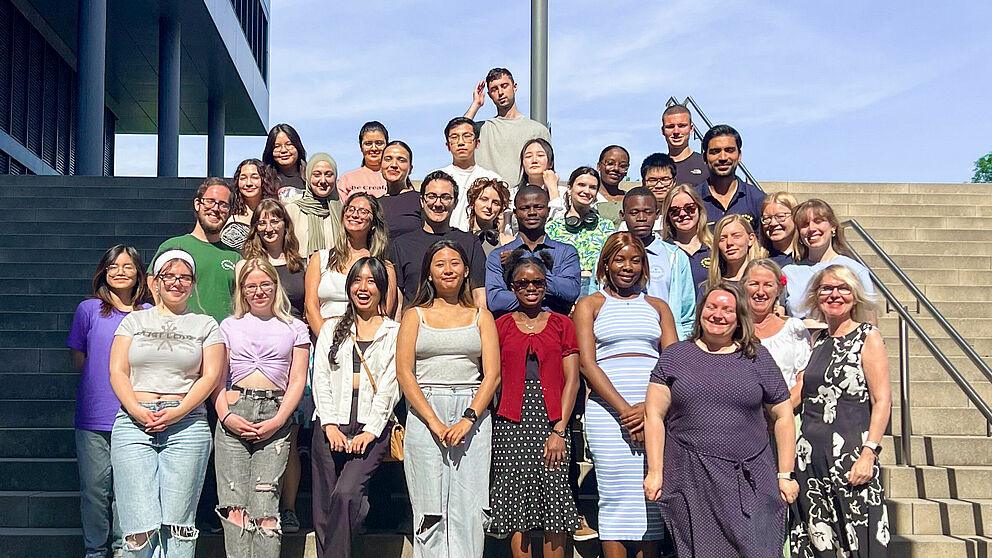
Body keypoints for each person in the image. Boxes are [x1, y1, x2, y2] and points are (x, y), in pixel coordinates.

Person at [643, 281, 799, 557]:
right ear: (701, 311)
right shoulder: (676, 355)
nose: (718, 315)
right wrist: (655, 472)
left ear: (739, 318)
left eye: (727, 310)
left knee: (758, 549)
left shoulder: (757, 357)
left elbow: (784, 414)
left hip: (750, 476)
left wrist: (785, 474)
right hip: (691, 476)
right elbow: (653, 415)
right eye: (711, 307)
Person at [108, 250, 225, 557]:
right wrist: (136, 409)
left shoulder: (206, 324)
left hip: (187, 424)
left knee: (178, 525)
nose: (176, 282)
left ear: (193, 284)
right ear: (155, 282)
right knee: (138, 527)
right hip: (134, 423)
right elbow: (118, 371)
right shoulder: (134, 320)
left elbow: (210, 375)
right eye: (169, 276)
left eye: (184, 277)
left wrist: (178, 412)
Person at [572, 232, 678, 556]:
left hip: (654, 411)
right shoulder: (590, 305)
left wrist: (648, 410)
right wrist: (625, 411)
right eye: (619, 260)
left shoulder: (658, 306)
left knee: (651, 494)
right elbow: (587, 364)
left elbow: (674, 363)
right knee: (614, 495)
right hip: (607, 412)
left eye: (635, 260)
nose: (627, 267)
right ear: (606, 264)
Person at [395, 240, 500, 558]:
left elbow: (492, 375)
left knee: (470, 505)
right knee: (430, 508)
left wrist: (468, 419)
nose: (448, 269)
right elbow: (405, 373)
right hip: (426, 409)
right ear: (429, 273)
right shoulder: (414, 315)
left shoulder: (481, 316)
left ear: (466, 270)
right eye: (440, 264)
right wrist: (434, 422)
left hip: (472, 409)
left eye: (455, 263)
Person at [789, 266, 890, 557]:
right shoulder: (818, 341)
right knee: (819, 544)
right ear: (816, 296)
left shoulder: (867, 337)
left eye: (843, 288)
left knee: (856, 543)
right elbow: (799, 393)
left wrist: (869, 453)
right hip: (811, 461)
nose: (835, 295)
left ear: (855, 295)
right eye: (827, 289)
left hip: (851, 458)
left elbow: (882, 400)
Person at [212, 258, 309, 557]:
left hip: (275, 413)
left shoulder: (295, 327)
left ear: (275, 286)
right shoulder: (229, 325)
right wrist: (225, 415)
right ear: (242, 290)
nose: (258, 291)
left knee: (265, 508)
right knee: (234, 507)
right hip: (236, 411)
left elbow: (297, 379)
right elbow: (217, 378)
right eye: (250, 286)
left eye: (265, 284)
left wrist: (279, 420)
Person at [490, 250, 581, 557]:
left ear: (546, 285)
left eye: (538, 282)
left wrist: (559, 430)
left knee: (554, 495)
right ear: (512, 287)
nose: (531, 288)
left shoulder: (562, 324)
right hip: (511, 423)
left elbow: (572, 380)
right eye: (522, 283)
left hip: (551, 418)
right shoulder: (500, 325)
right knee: (517, 505)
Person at [311, 257, 400, 558]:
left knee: (348, 495)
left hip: (370, 427)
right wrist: (329, 424)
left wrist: (371, 431)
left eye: (371, 281)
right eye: (357, 281)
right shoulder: (331, 328)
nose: (363, 288)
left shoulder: (394, 332)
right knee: (324, 508)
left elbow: (391, 386)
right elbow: (321, 377)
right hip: (330, 424)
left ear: (382, 288)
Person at [67, 245, 153, 558]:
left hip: (136, 414)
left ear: (139, 273)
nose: (120, 272)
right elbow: (80, 359)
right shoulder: (88, 310)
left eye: (128, 266)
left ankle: (122, 549)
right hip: (94, 415)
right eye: (113, 266)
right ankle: (95, 550)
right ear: (103, 272)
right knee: (95, 490)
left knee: (128, 490)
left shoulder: (149, 313)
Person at [388, 170, 488, 308]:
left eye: (445, 197)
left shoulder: (470, 243)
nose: (438, 203)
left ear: (455, 202)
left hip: (460, 319)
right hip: (415, 319)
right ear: (422, 201)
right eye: (432, 196)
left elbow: (479, 294)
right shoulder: (401, 245)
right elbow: (397, 300)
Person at [306, 192, 397, 335]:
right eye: (351, 209)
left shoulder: (385, 268)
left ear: (373, 223)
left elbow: (384, 313)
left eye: (363, 211)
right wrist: (328, 341)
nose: (355, 215)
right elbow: (311, 308)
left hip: (365, 339)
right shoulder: (320, 259)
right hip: (324, 337)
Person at [152, 177, 241, 324]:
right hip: (180, 332)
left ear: (230, 211)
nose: (216, 208)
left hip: (223, 334)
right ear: (197, 204)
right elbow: (152, 281)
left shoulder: (235, 257)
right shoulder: (173, 246)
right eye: (210, 201)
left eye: (223, 204)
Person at [487, 185, 581, 318]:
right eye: (524, 208)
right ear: (515, 213)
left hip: (555, 325)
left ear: (548, 211)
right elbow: (496, 301)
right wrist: (547, 295)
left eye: (538, 207)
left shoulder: (566, 252)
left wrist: (521, 264)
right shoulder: (498, 256)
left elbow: (570, 291)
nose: (532, 212)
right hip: (513, 326)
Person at [619, 187, 696, 340]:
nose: (641, 218)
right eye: (634, 213)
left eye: (648, 212)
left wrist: (680, 343)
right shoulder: (608, 256)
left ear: (657, 214)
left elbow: (687, 313)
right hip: (621, 340)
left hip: (665, 342)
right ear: (622, 216)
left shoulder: (675, 257)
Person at [782, 198, 876, 322]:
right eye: (805, 224)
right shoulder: (789, 272)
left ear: (833, 227)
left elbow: (869, 321)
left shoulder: (855, 269)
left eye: (818, 221)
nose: (811, 228)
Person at [464, 67, 551, 184]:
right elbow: (459, 132)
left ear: (514, 87)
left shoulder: (537, 130)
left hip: (523, 193)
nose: (500, 92)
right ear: (489, 95)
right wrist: (476, 104)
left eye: (504, 86)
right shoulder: (482, 129)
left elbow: (547, 173)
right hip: (486, 193)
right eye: (494, 89)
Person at [744, 259, 810, 404]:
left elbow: (802, 380)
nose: (760, 292)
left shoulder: (794, 329)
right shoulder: (734, 330)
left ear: (778, 290)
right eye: (754, 284)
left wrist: (781, 412)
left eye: (768, 285)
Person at [545, 167, 616, 295]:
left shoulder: (606, 226)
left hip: (598, 288)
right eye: (581, 185)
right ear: (569, 188)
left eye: (592, 187)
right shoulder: (553, 228)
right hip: (564, 288)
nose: (586, 191)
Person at [240, 199, 308, 319]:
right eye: (262, 223)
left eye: (274, 221)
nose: (269, 229)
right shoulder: (247, 266)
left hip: (294, 327)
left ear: (285, 225)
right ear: (256, 228)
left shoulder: (301, 265)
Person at [436, 116, 501, 231]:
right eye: (454, 137)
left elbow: (502, 219)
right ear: (448, 145)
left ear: (477, 143)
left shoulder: (492, 178)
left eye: (467, 136)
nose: (461, 142)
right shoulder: (437, 179)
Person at [695, 124, 765, 228]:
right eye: (715, 152)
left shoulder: (757, 200)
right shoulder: (693, 200)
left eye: (729, 150)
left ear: (739, 155)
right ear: (704, 157)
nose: (723, 157)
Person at [284, 152, 344, 257]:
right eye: (317, 175)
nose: (323, 180)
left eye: (328, 175)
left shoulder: (342, 212)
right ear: (308, 176)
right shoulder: (292, 211)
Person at [660, 184, 713, 291]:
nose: (683, 214)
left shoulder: (715, 248)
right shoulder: (663, 251)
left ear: (699, 209)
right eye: (675, 211)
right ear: (668, 216)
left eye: (689, 208)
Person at [221, 158, 279, 251]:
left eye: (254, 177)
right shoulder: (228, 214)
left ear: (264, 180)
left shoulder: (277, 212)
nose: (248, 183)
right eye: (243, 178)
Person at [511, 138, 567, 225]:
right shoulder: (512, 194)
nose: (534, 161)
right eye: (528, 156)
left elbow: (560, 226)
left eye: (540, 155)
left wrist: (553, 190)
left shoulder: (564, 194)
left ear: (551, 163)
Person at [706, 213, 763, 290]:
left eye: (736, 236)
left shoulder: (765, 282)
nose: (729, 243)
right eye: (722, 239)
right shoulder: (709, 287)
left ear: (750, 239)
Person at [377, 140, 422, 239]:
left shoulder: (421, 201)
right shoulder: (374, 205)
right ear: (380, 166)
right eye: (388, 159)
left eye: (401, 160)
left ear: (410, 169)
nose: (394, 165)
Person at [337, 121, 389, 200]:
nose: (374, 148)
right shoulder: (347, 179)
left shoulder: (394, 177)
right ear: (361, 147)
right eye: (368, 144)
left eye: (379, 143)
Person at [465, 176, 515, 255]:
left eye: (495, 203)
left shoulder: (509, 243)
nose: (489, 206)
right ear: (472, 203)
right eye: (484, 199)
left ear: (501, 209)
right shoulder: (460, 241)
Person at [660, 104, 709, 183]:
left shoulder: (706, 164)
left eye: (681, 126)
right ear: (663, 130)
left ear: (691, 128)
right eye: (670, 127)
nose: (676, 132)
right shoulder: (656, 168)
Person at [262, 123, 308, 200]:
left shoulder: (311, 178)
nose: (283, 150)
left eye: (289, 144)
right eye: (277, 146)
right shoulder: (263, 181)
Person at [760, 191, 800, 266]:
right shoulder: (757, 260)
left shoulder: (810, 256)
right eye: (767, 218)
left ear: (795, 216)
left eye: (780, 216)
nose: (773, 223)